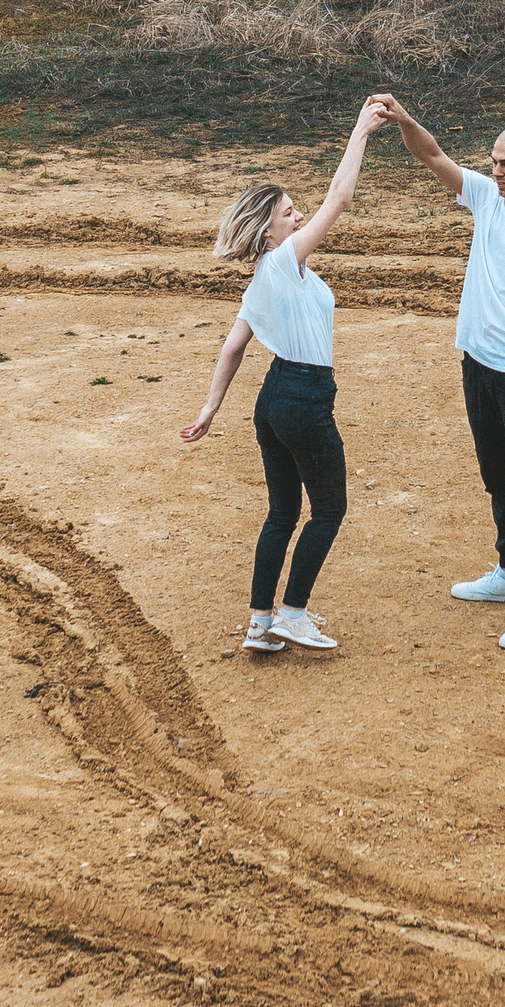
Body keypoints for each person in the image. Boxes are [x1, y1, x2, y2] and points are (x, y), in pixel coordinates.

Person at [181, 97, 395, 655]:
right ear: (269, 232)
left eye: (298, 211)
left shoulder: (262, 280)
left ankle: (259, 623)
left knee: (282, 512)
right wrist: (359, 131)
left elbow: (232, 350)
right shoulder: (283, 262)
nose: (300, 218)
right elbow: (341, 197)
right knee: (328, 509)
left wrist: (210, 409)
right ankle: (293, 615)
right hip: (302, 398)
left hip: (273, 399)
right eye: (290, 214)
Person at [376, 100, 505, 651]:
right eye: (493, 162)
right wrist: (403, 119)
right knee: (497, 476)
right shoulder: (486, 201)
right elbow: (432, 156)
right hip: (477, 365)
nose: (496, 172)